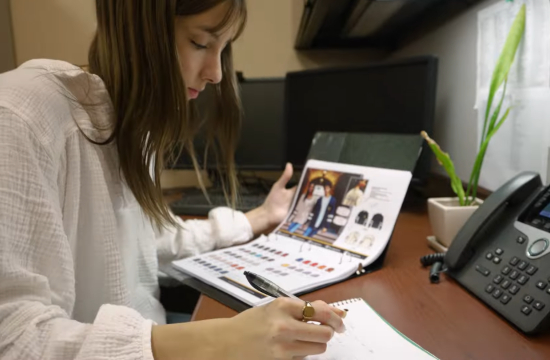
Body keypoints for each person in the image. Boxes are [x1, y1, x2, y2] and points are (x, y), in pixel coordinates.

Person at [0, 1, 345, 359]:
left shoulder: (130, 127)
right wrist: (222, 340)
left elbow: (149, 241)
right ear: (138, 27)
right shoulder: (20, 115)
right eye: (200, 43)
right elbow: (14, 338)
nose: (217, 74)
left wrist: (258, 217)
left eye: (222, 49)